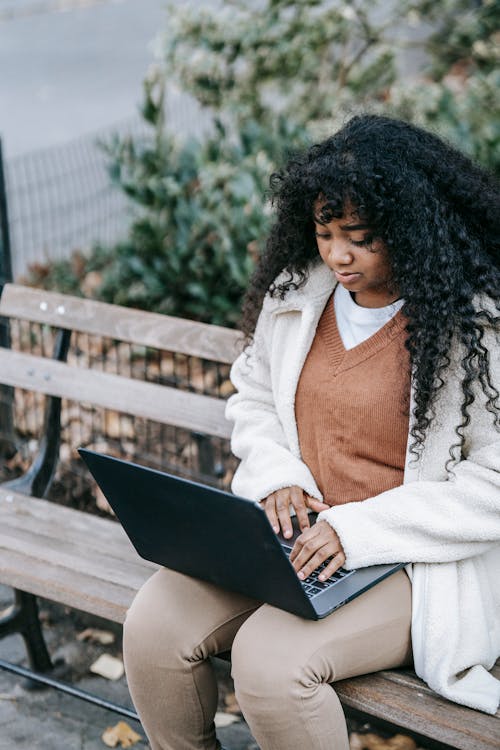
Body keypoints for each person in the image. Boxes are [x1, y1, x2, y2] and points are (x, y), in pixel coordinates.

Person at [122, 114, 500, 750]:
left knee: (271, 667)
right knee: (154, 627)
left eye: (360, 237)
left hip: (412, 560)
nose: (337, 254)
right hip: (292, 543)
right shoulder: (299, 293)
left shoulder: (475, 327)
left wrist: (356, 531)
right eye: (324, 233)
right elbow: (255, 394)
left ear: (411, 230)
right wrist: (277, 477)